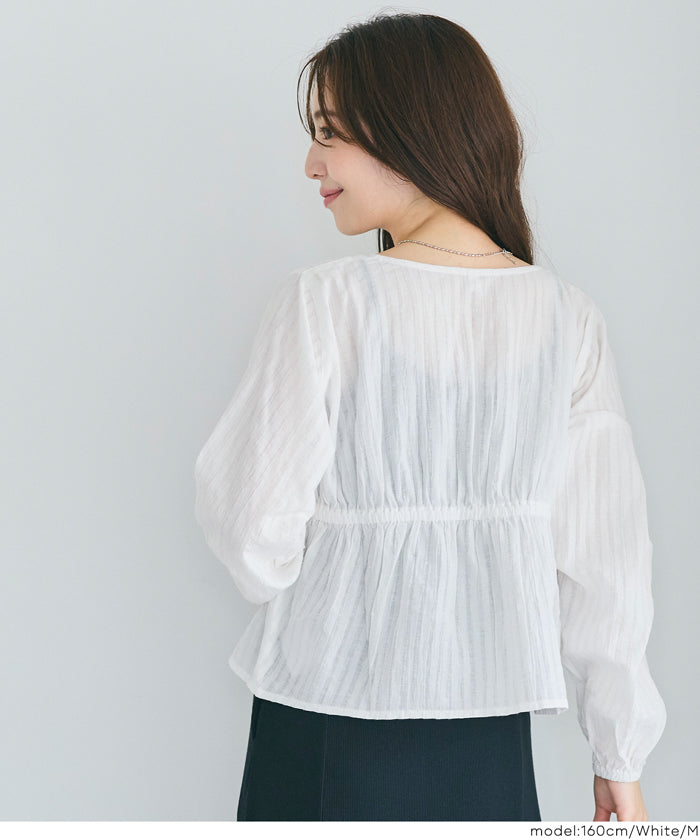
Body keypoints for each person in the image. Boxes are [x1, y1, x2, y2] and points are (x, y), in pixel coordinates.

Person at [194, 12, 666, 821]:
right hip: (491, 734)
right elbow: (607, 563)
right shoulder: (569, 319)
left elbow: (252, 536)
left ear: (408, 129)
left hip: (325, 716)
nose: (311, 162)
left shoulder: (326, 304)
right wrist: (619, 756)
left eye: (330, 133)